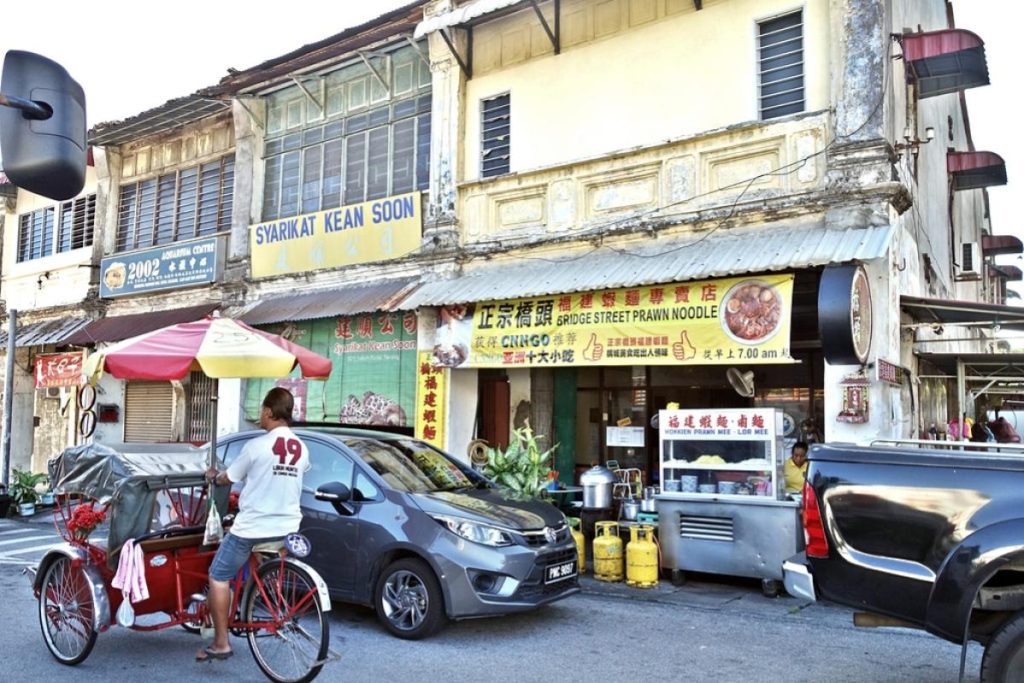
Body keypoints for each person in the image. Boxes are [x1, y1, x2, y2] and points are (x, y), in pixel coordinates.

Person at [195, 387, 310, 663]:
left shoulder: (257, 445)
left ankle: (221, 643)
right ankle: (256, 604)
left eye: (261, 410)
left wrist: (214, 476)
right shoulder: (301, 448)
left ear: (269, 412)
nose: (260, 415)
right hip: (287, 526)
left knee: (218, 575)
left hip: (253, 527)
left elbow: (228, 478)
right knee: (262, 567)